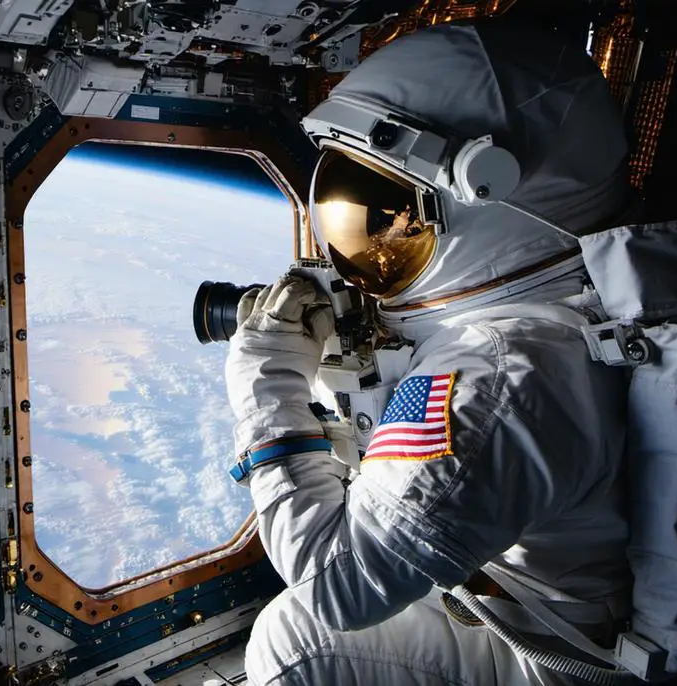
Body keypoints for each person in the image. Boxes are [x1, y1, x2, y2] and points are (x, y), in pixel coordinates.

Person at [226, 20, 637, 685]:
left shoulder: (497, 372)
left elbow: (336, 588)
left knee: (291, 643)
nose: (363, 250)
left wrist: (263, 373)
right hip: (567, 600)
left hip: (561, 656)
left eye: (388, 215)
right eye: (353, 215)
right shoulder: (571, 301)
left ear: (487, 193)